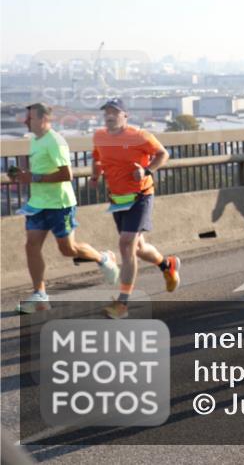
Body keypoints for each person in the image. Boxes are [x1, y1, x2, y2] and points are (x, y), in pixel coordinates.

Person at [13, 103, 119, 314]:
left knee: (67, 249)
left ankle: (103, 258)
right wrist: (23, 175)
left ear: (43, 119)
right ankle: (40, 296)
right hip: (37, 204)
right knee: (31, 246)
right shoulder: (34, 140)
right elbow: (39, 171)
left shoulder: (56, 141)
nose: (25, 121)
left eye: (30, 118)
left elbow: (66, 174)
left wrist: (34, 177)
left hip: (59, 204)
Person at [90, 98, 178, 320]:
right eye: (107, 112)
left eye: (114, 112)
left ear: (125, 116)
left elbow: (163, 154)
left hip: (141, 195)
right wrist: (95, 175)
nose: (109, 116)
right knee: (138, 248)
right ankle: (167, 265)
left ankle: (122, 304)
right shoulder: (99, 136)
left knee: (126, 243)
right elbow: (97, 157)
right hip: (118, 198)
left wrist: (147, 170)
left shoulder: (140, 136)